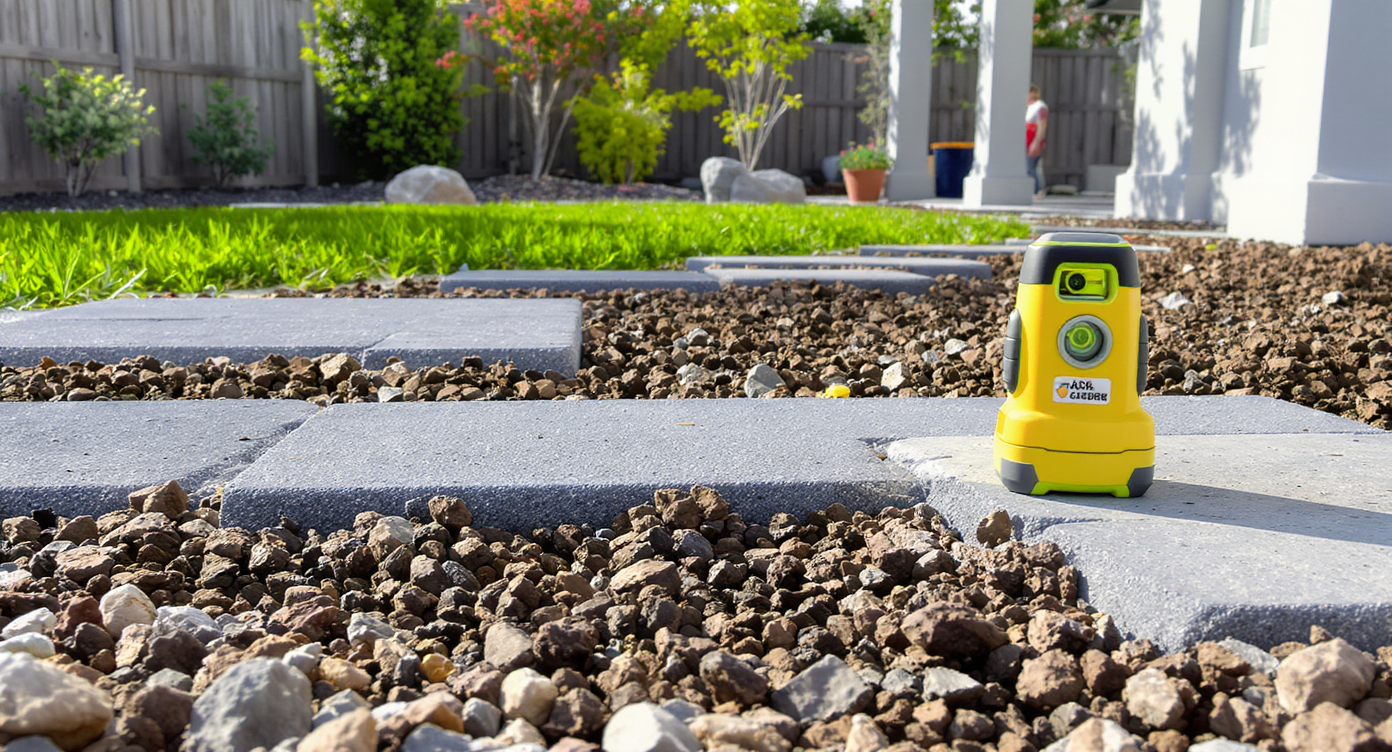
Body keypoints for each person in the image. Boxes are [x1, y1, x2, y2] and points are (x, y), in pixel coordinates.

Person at [1026, 84, 1049, 196]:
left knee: (1031, 167)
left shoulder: (1040, 107)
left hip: (1033, 141)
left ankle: (1038, 190)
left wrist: (1036, 142)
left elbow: (1042, 125)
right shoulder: (1029, 107)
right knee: (1029, 167)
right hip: (1026, 141)